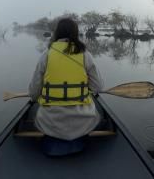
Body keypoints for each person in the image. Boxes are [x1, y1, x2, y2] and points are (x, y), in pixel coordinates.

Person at [28, 18, 104, 155]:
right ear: (75, 33)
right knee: (96, 114)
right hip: (84, 121)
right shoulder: (86, 54)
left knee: (36, 113)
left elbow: (33, 93)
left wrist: (36, 96)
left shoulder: (46, 55)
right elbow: (98, 87)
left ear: (57, 33)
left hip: (49, 121)